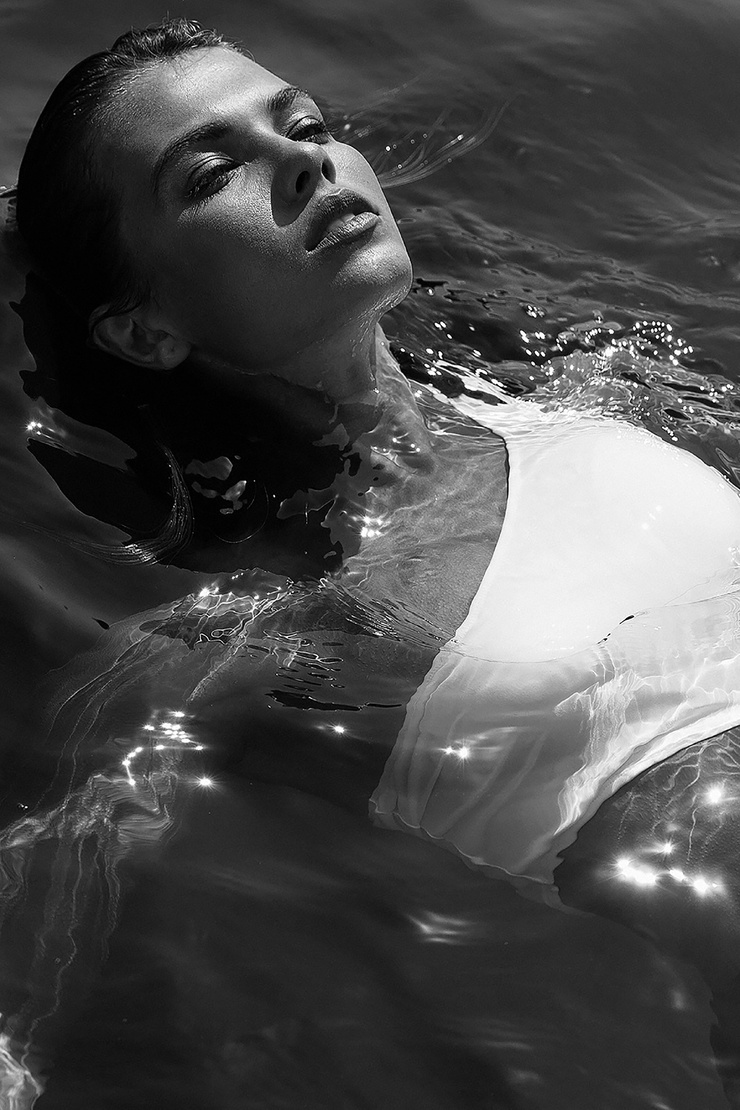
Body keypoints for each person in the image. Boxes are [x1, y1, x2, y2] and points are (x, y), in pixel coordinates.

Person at [5, 16, 740, 1104]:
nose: (304, 161)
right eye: (212, 173)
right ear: (145, 330)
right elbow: (46, 903)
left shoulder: (594, 392)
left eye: (303, 124)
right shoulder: (269, 621)